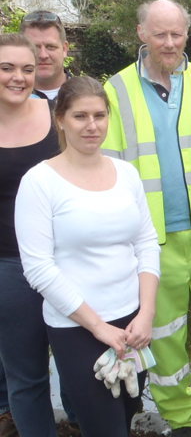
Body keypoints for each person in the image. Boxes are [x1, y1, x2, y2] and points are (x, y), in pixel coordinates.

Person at [102, 0, 191, 437]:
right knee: (164, 337)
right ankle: (183, 424)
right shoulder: (115, 91)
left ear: (186, 34)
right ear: (141, 34)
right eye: (160, 34)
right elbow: (110, 167)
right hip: (152, 242)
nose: (170, 43)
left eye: (177, 34)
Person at [15, 76, 160, 437]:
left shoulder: (126, 173)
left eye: (99, 115)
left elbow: (146, 242)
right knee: (104, 427)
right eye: (80, 116)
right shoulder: (39, 182)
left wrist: (147, 313)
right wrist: (98, 327)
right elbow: (38, 268)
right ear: (60, 119)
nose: (92, 125)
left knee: (127, 413)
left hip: (131, 324)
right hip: (78, 327)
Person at [0, 33, 60, 437]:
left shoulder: (58, 114)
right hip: (9, 266)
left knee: (83, 369)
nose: (18, 78)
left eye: (26, 69)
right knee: (27, 376)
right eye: (7, 68)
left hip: (67, 259)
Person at [20, 10, 71, 100]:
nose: (43, 55)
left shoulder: (88, 95)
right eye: (35, 48)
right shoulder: (6, 100)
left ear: (64, 49)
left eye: (50, 47)